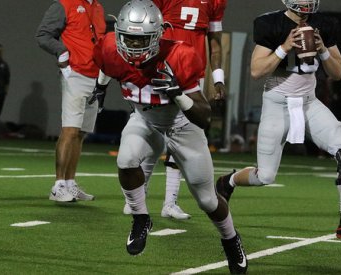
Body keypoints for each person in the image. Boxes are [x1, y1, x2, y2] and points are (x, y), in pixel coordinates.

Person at [91, 1, 247, 273]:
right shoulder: (108, 47)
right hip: (144, 119)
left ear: (158, 34)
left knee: (207, 200)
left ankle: (231, 239)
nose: (134, 46)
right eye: (128, 38)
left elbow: (203, 116)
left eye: (142, 40)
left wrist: (177, 94)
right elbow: (106, 65)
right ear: (117, 34)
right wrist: (100, 88)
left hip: (182, 124)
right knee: (126, 159)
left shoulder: (180, 55)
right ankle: (141, 218)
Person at [215, 0, 341, 241]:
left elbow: (337, 73)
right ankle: (228, 181)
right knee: (265, 176)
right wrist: (284, 47)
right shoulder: (270, 23)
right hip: (277, 102)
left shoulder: (324, 24)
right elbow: (256, 71)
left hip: (308, 102)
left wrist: (323, 49)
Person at [123, 0, 228, 220]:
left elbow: (215, 41)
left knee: (181, 133)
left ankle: (170, 202)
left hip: (190, 73)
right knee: (150, 128)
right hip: (160, 67)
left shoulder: (216, 2)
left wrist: (218, 78)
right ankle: (140, 195)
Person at [35, 0, 106, 202]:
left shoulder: (98, 8)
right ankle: (58, 186)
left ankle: (70, 182)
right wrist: (61, 51)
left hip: (96, 77)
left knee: (81, 133)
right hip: (74, 73)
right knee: (70, 129)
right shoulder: (64, 4)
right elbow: (42, 35)